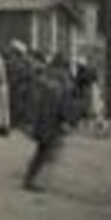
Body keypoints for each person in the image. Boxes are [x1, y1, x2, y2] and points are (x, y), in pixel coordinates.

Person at [23, 54, 77, 191]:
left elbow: (35, 101)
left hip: (43, 120)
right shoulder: (63, 81)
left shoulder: (45, 77)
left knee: (41, 151)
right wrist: (67, 120)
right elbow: (64, 103)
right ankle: (38, 181)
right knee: (48, 153)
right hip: (53, 123)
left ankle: (30, 179)